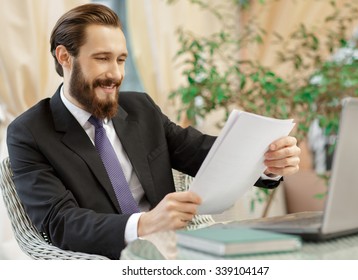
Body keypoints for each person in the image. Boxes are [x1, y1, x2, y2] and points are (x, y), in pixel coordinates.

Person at [6, 3, 301, 259]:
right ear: (64, 57)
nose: (116, 74)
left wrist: (267, 162)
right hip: (108, 259)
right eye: (102, 58)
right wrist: (145, 224)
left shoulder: (140, 108)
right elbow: (61, 223)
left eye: (121, 60)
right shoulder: (30, 132)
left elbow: (200, 151)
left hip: (178, 251)